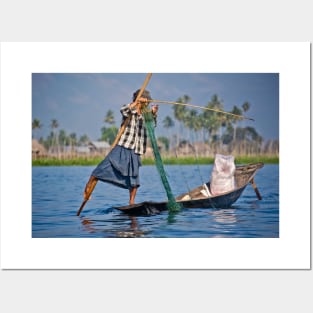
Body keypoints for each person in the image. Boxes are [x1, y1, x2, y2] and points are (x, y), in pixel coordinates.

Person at [83, 89, 158, 205]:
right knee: (103, 167)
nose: (147, 103)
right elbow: (123, 110)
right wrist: (136, 102)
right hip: (123, 145)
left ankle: (131, 201)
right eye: (145, 101)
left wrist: (153, 113)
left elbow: (152, 124)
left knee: (135, 178)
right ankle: (89, 184)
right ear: (139, 100)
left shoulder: (145, 115)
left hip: (136, 149)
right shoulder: (130, 110)